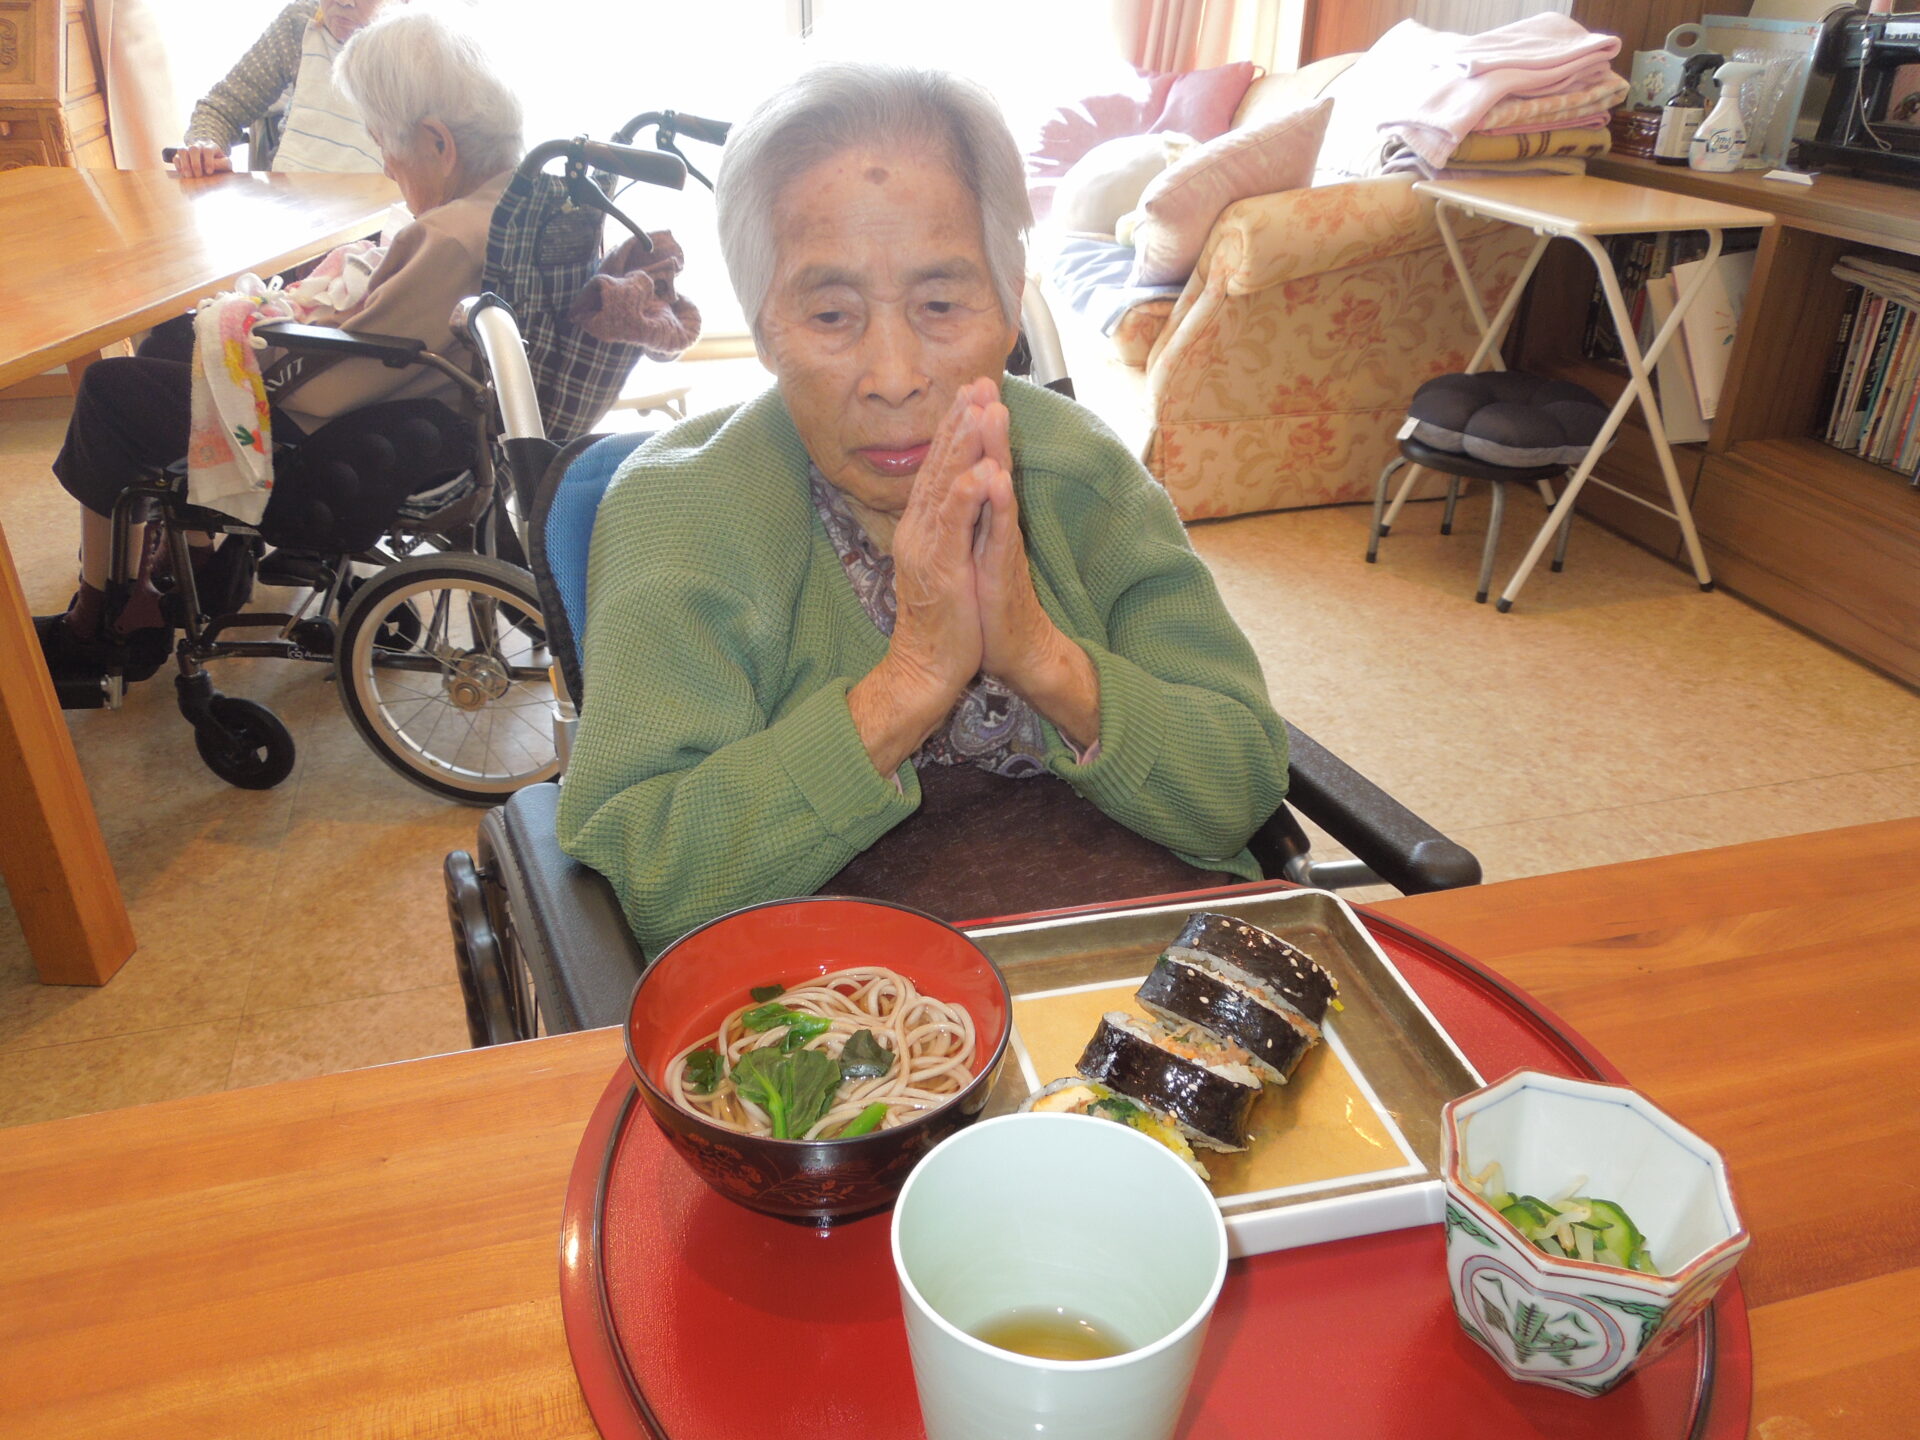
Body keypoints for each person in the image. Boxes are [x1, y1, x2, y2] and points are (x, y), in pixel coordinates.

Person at [556, 62, 1291, 957]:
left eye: (941, 304)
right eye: (831, 316)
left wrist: (1042, 656)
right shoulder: (681, 514)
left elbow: (1237, 790)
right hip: (825, 1004)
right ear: (763, 329)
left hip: (1131, 978)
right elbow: (649, 877)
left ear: (1009, 307)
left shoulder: (1084, 476)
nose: (895, 377)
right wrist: (908, 681)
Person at [35, 6, 524, 678]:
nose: (386, 166)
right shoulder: (507, 208)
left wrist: (260, 338)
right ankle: (202, 561)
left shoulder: (443, 239)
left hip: (329, 427)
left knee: (108, 390)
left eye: (386, 147)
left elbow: (336, 382)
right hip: (423, 404)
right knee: (172, 340)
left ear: (439, 143)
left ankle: (102, 615)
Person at [173, 0, 393, 178]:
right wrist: (206, 145)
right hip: (293, 200)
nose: (344, 2)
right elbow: (221, 109)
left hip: (377, 209)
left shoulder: (407, 47)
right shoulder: (299, 25)